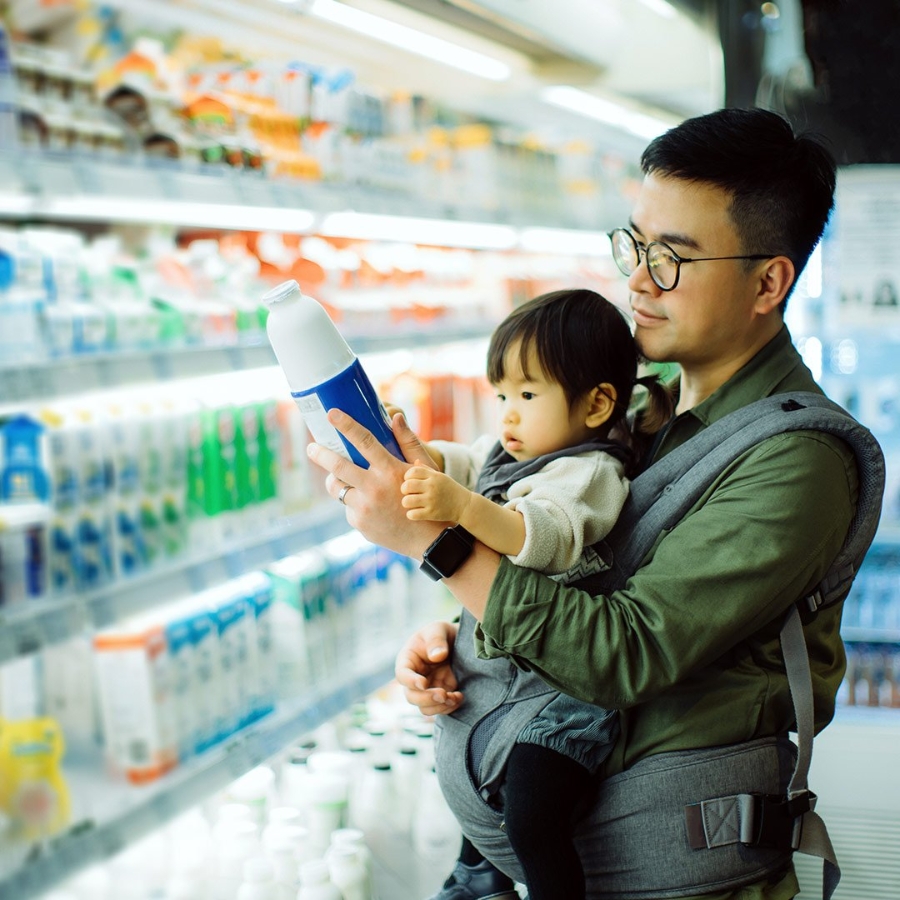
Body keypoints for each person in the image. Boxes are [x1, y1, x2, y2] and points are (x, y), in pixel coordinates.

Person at [307, 107, 858, 900]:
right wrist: (466, 638)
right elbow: (574, 574)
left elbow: (625, 650)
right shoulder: (637, 412)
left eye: (672, 258)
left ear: (768, 281)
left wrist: (443, 544)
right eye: (634, 243)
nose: (637, 278)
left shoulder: (796, 462)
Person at [396, 287, 670, 900]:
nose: (508, 415)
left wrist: (461, 509)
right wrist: (409, 454)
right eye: (500, 396)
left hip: (564, 697)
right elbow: (459, 464)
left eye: (526, 395)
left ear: (598, 404)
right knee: (481, 785)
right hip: (510, 680)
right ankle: (477, 874)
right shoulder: (509, 450)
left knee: (532, 815)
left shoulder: (590, 473)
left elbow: (541, 536)